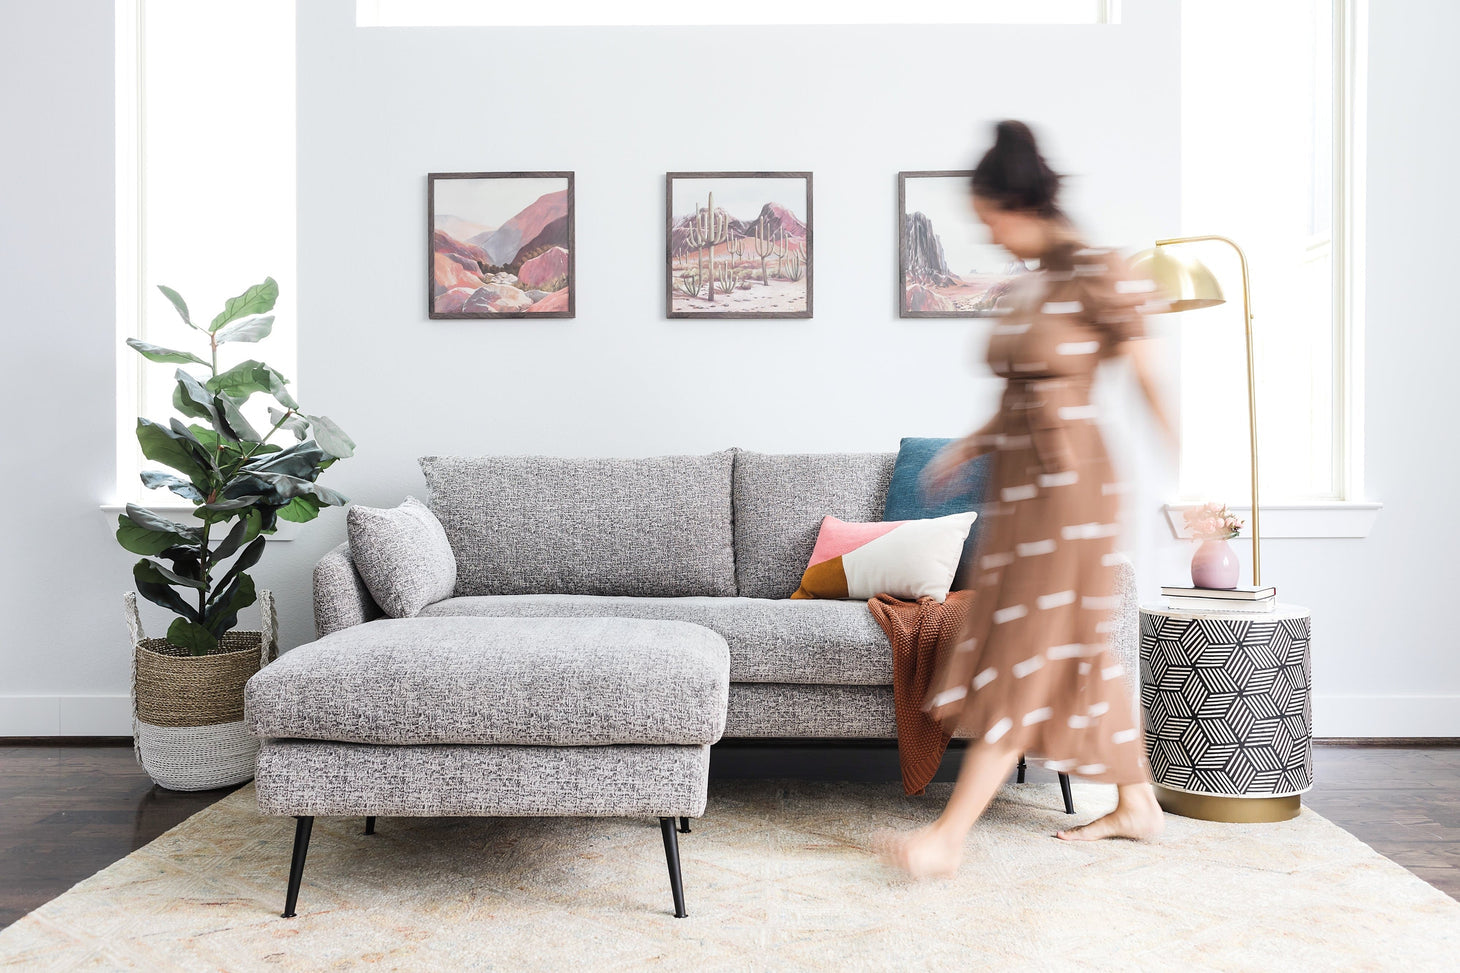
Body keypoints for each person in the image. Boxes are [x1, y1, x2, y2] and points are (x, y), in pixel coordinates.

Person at [884, 120, 1174, 878]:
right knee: (1076, 647)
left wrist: (1189, 475)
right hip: (1020, 488)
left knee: (1022, 648)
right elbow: (1021, 393)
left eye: (990, 219)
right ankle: (1138, 803)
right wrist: (966, 448)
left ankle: (949, 836)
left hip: (1068, 489)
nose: (988, 235)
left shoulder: (1098, 272)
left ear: (1020, 205)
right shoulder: (1034, 282)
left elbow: (1147, 376)